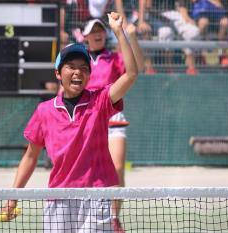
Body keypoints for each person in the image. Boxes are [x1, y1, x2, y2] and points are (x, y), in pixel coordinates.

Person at [4, 12, 138, 232]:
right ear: (58, 73)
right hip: (58, 198)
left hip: (96, 197)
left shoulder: (100, 100)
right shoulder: (44, 111)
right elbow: (30, 156)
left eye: (84, 68)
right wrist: (13, 196)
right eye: (71, 67)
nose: (78, 72)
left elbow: (131, 74)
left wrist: (119, 32)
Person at [81, 17, 144, 229]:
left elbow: (137, 68)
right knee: (87, 172)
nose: (98, 33)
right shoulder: (79, 61)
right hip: (87, 120)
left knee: (117, 168)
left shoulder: (114, 58)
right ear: (85, 36)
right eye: (93, 30)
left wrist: (132, 36)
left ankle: (114, 217)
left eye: (101, 29)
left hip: (113, 118)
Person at [137, 0, 200, 75]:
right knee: (166, 32)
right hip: (155, 13)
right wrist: (141, 21)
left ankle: (191, 68)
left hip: (175, 13)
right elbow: (146, 4)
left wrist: (186, 17)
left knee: (193, 31)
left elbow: (181, 4)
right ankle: (168, 68)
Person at [191, 0, 228, 66]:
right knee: (203, 23)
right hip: (202, 13)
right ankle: (199, 54)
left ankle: (222, 53)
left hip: (217, 13)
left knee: (225, 22)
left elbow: (220, 4)